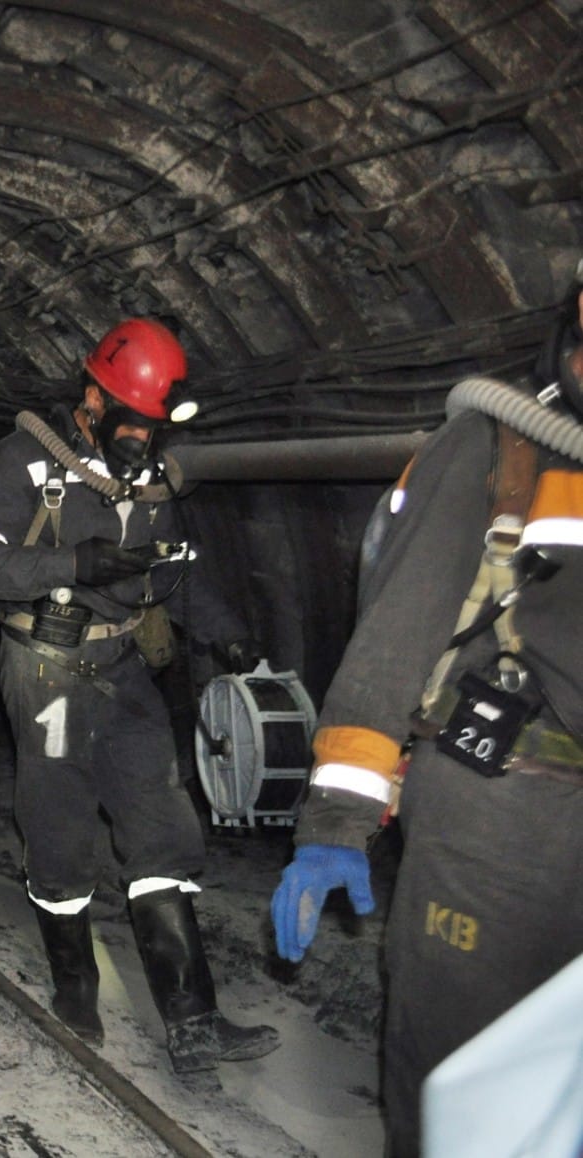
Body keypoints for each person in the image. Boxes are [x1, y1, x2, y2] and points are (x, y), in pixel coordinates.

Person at [272, 281, 583, 1155]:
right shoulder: (502, 444)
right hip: (502, 813)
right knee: (467, 1087)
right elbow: (393, 637)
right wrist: (338, 821)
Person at [0, 317, 277, 1073]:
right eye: (131, 421)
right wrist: (72, 562)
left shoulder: (151, 478)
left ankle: (193, 1021)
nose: (143, 439)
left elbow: (172, 571)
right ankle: (75, 990)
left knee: (160, 821)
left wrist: (226, 636)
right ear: (91, 397)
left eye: (154, 426)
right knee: (59, 825)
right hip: (49, 671)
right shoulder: (25, 461)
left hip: (123, 667)